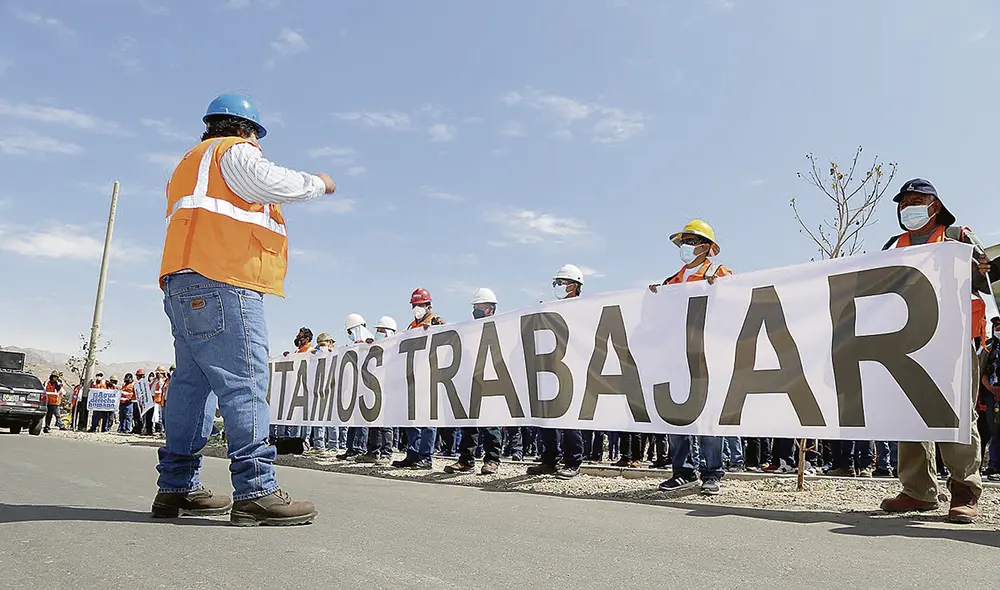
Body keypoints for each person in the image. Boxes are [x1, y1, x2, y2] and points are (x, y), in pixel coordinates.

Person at [153, 93, 335, 526]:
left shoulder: (190, 161)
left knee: (192, 387)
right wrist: (319, 183)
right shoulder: (233, 151)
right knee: (244, 383)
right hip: (224, 280)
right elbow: (270, 182)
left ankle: (176, 488)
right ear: (246, 129)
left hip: (184, 280)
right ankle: (257, 490)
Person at [878, 178, 991, 524]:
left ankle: (965, 491)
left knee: (955, 414)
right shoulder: (893, 245)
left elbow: (986, 279)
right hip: (906, 343)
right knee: (908, 415)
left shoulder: (958, 238)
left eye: (917, 199)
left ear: (935, 205)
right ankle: (917, 491)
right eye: (904, 201)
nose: (909, 206)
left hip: (953, 339)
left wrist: (979, 269)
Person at [651, 220, 732, 496]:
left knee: (708, 416)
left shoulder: (719, 272)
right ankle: (682, 471)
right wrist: (654, 296)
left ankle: (712, 473)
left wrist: (719, 288)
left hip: (706, 354)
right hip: (676, 355)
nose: (685, 247)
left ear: (707, 247)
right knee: (676, 415)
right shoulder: (672, 280)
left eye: (692, 241)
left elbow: (734, 305)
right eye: (683, 242)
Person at [526, 265, 586, 480]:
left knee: (569, 418)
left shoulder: (584, 307)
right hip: (550, 369)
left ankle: (573, 460)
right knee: (548, 418)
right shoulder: (553, 309)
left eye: (563, 283)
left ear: (575, 285)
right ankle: (550, 459)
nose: (559, 287)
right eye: (557, 283)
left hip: (571, 369)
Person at [445, 288, 505, 475]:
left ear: (490, 309)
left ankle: (492, 460)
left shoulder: (501, 326)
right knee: (469, 423)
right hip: (472, 381)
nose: (476, 310)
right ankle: (466, 461)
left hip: (492, 381)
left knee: (490, 423)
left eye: (480, 307)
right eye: (475, 307)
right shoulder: (470, 330)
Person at [392, 288, 446, 470]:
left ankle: (425, 457)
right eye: (415, 305)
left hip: (430, 376)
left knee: (427, 420)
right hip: (412, 377)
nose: (417, 308)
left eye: (420, 305)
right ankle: (413, 454)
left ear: (428, 305)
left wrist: (435, 330)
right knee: (412, 419)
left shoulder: (436, 322)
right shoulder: (411, 327)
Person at [356, 318, 398, 465]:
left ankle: (387, 453)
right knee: (374, 422)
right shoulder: (375, 345)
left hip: (388, 388)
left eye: (381, 330)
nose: (378, 333)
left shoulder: (394, 346)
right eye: (378, 330)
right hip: (375, 388)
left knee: (386, 424)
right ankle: (373, 452)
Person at [338, 314, 373, 460]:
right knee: (352, 420)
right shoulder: (353, 345)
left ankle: (359, 447)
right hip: (353, 385)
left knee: (362, 420)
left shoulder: (369, 342)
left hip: (365, 385)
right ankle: (351, 448)